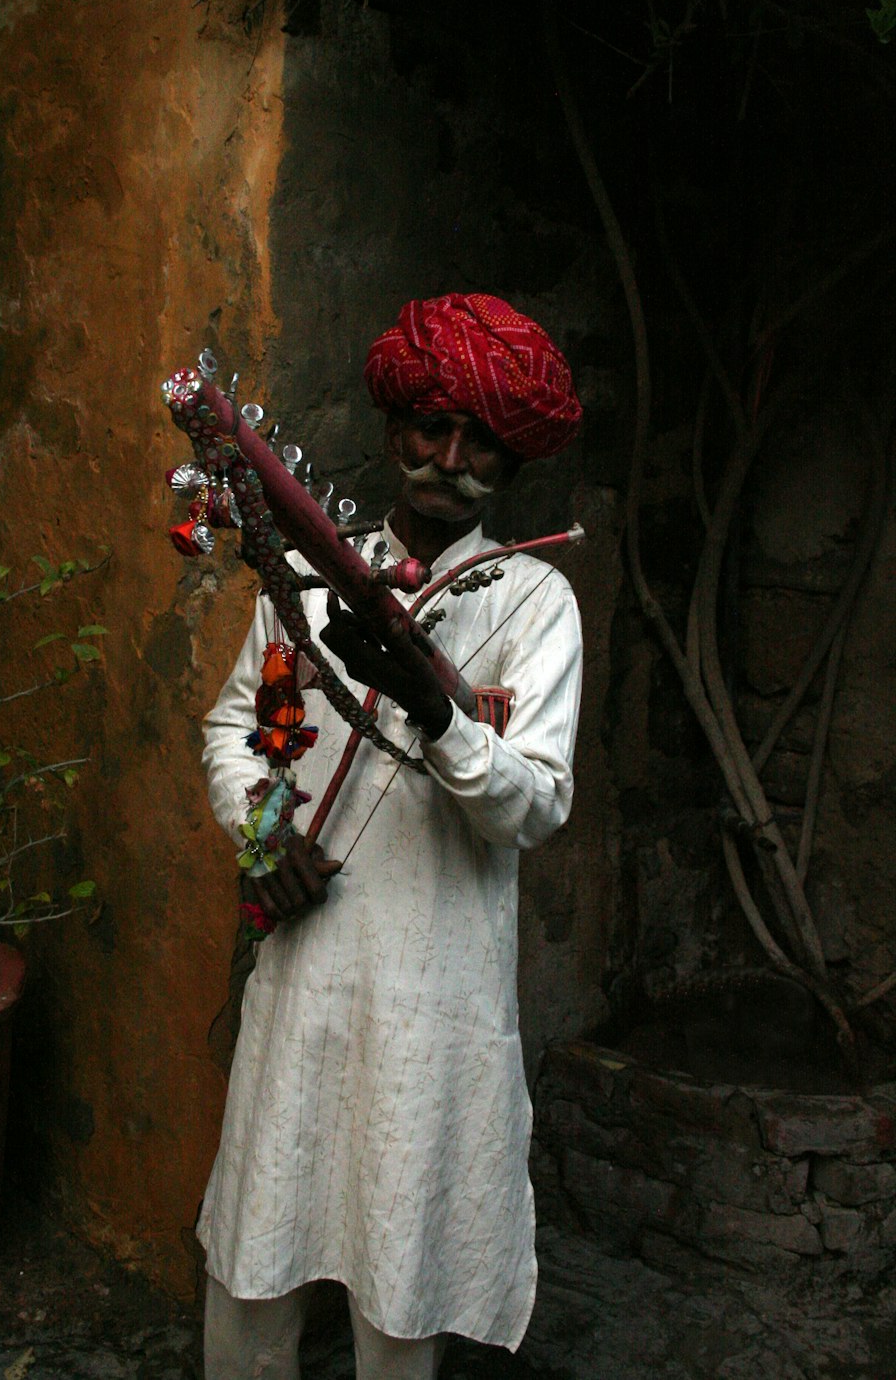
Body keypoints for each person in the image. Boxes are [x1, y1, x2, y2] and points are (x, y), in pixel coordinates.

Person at [198, 292, 583, 1379]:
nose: (450, 460)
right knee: (255, 1261)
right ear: (393, 430)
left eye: (481, 445)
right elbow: (241, 727)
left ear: (509, 467)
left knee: (402, 1275)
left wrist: (438, 707)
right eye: (431, 429)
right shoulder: (309, 574)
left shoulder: (536, 602)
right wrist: (264, 832)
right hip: (305, 972)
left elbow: (536, 804)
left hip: (434, 1002)